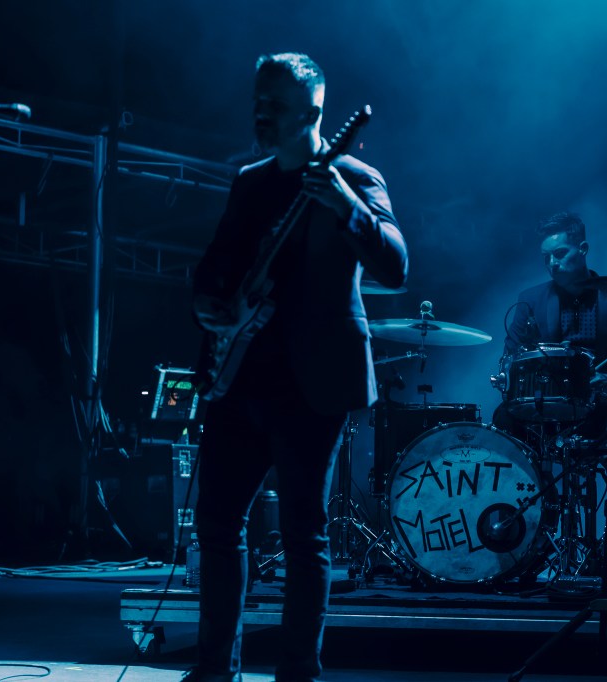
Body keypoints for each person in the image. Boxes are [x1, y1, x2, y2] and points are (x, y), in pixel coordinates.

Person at [188, 52, 407, 682]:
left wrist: (345, 207)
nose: (261, 111)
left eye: (274, 103)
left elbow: (396, 267)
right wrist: (206, 303)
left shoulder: (356, 177)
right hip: (242, 377)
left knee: (303, 531)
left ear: (312, 112)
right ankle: (212, 669)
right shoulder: (250, 181)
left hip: (313, 383)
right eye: (258, 98)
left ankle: (298, 673)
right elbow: (215, 266)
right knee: (218, 522)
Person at [496, 211, 607, 501]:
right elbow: (511, 358)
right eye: (545, 257)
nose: (552, 264)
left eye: (559, 254)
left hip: (606, 407)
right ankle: (533, 515)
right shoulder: (530, 300)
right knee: (503, 419)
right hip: (547, 411)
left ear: (582, 249)